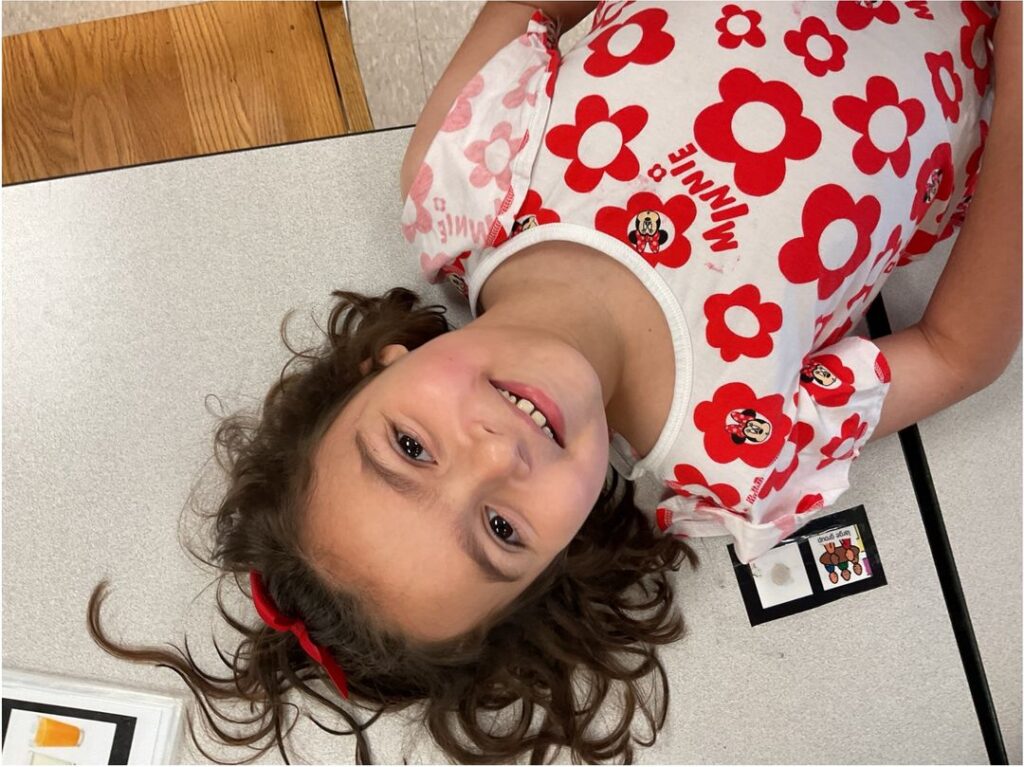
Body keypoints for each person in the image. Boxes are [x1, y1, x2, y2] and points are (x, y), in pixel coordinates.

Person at [88, 1, 1021, 764]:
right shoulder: (733, 453)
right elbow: (955, 351)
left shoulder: (459, 185)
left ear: (376, 367)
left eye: (411, 448)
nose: (497, 454)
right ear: (563, 553)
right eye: (500, 529)